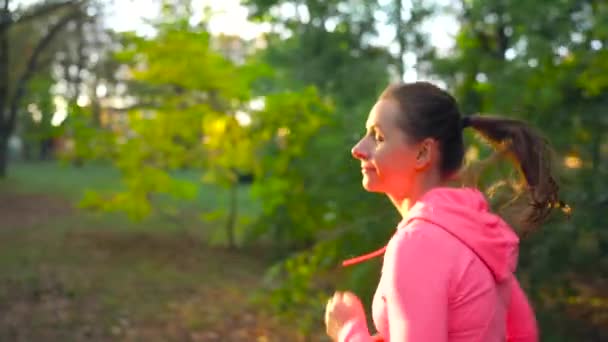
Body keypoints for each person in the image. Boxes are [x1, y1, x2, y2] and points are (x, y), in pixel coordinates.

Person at [324, 81, 565, 342]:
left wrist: (349, 331)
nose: (358, 149)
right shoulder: (476, 232)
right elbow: (523, 334)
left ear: (423, 153)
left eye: (378, 137)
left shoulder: (419, 243)